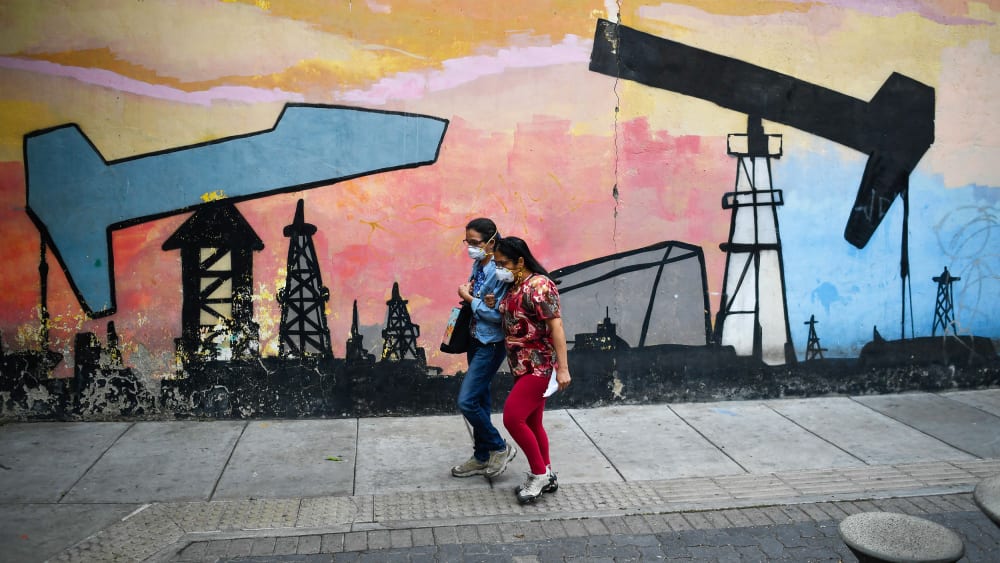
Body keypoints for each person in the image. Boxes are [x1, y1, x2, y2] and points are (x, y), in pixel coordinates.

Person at [493, 236, 571, 504]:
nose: (498, 268)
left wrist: (563, 368)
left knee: (512, 418)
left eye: (502, 263)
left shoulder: (539, 286)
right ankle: (547, 472)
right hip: (521, 365)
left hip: (539, 364)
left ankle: (538, 474)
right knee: (533, 422)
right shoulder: (515, 285)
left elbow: (556, 327)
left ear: (520, 261)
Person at [451, 218, 517, 479]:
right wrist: (471, 295)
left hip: (490, 343)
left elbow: (498, 315)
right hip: (474, 337)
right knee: (480, 399)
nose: (470, 247)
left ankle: (499, 446)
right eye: (467, 241)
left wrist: (470, 299)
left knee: (466, 401)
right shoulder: (479, 263)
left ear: (491, 241)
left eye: (475, 242)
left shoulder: (499, 270)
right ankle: (481, 456)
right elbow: (482, 303)